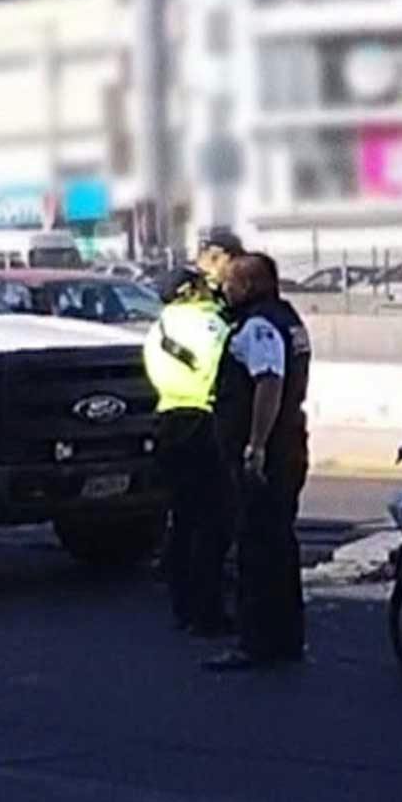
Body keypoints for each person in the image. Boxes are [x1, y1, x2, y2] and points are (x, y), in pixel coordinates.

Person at [206, 252, 312, 672]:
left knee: (257, 548)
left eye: (230, 282)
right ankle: (285, 639)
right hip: (288, 445)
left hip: (269, 453)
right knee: (280, 546)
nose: (224, 289)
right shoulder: (288, 318)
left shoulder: (259, 326)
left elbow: (269, 382)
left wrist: (255, 445)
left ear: (249, 286)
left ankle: (257, 642)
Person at [143, 268, 236, 637]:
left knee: (183, 520)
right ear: (192, 290)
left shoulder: (158, 330)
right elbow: (227, 370)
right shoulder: (212, 324)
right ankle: (208, 612)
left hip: (170, 422)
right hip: (206, 423)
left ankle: (183, 608)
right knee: (214, 524)